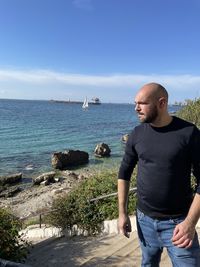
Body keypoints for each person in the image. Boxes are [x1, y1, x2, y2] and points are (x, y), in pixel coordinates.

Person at [118, 82, 200, 266]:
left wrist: (190, 223)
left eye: (142, 103)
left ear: (161, 103)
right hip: (144, 220)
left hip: (179, 224)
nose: (136, 108)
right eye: (135, 103)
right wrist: (122, 213)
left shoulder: (189, 133)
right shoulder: (137, 134)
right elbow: (124, 172)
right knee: (148, 264)